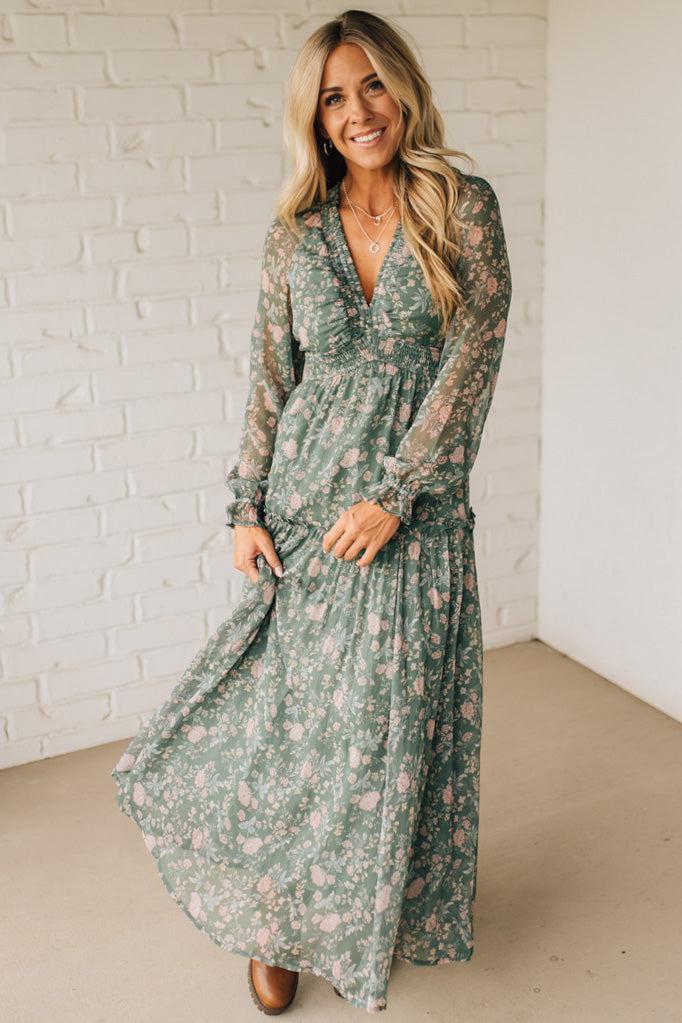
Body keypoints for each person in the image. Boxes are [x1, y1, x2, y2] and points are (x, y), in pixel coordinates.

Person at [111, 8, 512, 1016]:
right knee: (284, 734)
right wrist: (244, 505)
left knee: (378, 737)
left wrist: (396, 493)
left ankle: (352, 917)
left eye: (371, 84)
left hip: (407, 519)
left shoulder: (464, 207)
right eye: (334, 96)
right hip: (300, 514)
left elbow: (472, 363)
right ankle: (273, 922)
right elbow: (268, 376)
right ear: (314, 117)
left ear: (403, 86)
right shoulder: (294, 234)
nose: (358, 110)